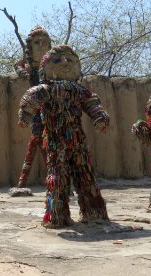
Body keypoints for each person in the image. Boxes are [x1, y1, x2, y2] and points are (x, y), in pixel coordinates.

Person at [18, 45, 109, 228]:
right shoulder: (46, 89)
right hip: (55, 141)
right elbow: (29, 100)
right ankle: (57, 216)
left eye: (70, 59)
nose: (65, 63)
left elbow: (93, 105)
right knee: (57, 178)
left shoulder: (79, 90)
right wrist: (25, 116)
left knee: (86, 176)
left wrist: (100, 117)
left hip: (78, 141)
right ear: (45, 68)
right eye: (57, 60)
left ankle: (94, 211)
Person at [12, 25, 52, 192]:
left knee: (48, 142)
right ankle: (24, 182)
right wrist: (23, 72)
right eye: (37, 42)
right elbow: (17, 65)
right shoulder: (28, 65)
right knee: (37, 140)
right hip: (35, 107)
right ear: (30, 45)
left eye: (44, 42)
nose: (41, 45)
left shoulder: (52, 64)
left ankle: (53, 179)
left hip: (52, 107)